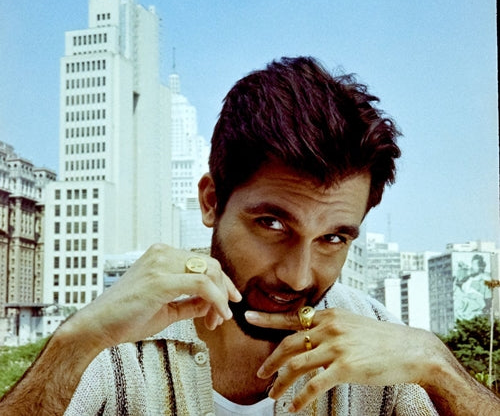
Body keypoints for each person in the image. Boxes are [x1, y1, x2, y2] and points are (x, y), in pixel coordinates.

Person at [0, 56, 498, 415]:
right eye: (272, 224)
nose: (298, 277)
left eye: (333, 239)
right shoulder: (119, 343)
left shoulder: (378, 344)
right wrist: (74, 343)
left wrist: (439, 367)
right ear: (211, 201)